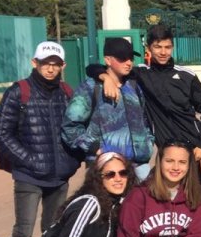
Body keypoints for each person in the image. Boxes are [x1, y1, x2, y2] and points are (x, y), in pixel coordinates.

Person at [0, 41, 81, 237]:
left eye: (55, 63)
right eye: (45, 62)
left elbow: (77, 128)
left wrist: (72, 159)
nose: (50, 67)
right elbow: (2, 134)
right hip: (29, 176)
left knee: (50, 235)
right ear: (35, 63)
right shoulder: (20, 92)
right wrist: (29, 160)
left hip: (59, 176)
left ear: (63, 66)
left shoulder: (68, 93)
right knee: (22, 234)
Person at [97, 26, 201, 158]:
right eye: (158, 47)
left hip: (194, 149)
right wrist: (106, 78)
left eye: (167, 47)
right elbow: (95, 68)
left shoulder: (186, 76)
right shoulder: (141, 73)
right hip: (166, 152)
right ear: (148, 48)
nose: (163, 52)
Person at [63, 37, 154, 179]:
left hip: (138, 165)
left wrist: (147, 143)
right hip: (105, 166)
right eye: (122, 58)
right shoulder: (90, 87)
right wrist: (94, 148)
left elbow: (144, 119)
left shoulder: (134, 85)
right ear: (107, 60)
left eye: (130, 58)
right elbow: (70, 125)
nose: (129, 62)